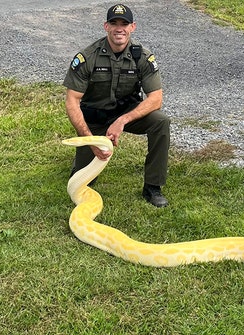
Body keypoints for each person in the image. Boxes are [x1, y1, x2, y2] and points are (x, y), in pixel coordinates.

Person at [63, 4, 170, 207]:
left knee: (161, 122)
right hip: (95, 118)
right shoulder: (87, 57)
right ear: (106, 26)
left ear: (133, 27)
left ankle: (153, 187)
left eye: (124, 23)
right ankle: (82, 159)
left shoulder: (143, 57)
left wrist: (122, 121)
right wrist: (90, 140)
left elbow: (156, 99)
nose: (119, 28)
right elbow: (72, 101)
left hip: (126, 113)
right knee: (82, 182)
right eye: (114, 23)